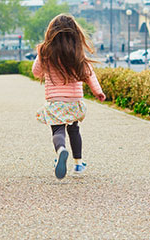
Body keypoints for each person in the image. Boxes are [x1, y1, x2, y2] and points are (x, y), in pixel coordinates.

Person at [33, 14, 106, 180]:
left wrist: (45, 64)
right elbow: (89, 74)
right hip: (74, 102)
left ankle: (61, 150)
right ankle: (78, 164)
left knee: (58, 131)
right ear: (75, 33)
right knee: (74, 130)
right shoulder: (77, 52)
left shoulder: (45, 51)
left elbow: (36, 72)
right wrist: (97, 92)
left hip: (55, 101)